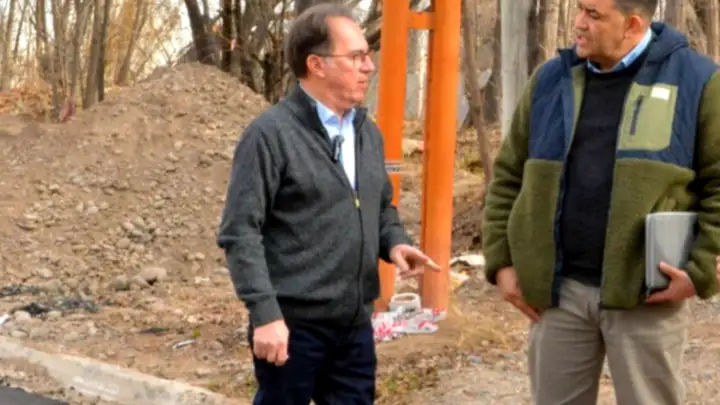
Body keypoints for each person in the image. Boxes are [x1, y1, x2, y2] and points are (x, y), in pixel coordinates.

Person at [482, 0, 720, 404]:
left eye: (593, 14)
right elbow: (508, 176)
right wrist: (501, 262)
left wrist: (699, 272)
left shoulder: (698, 82)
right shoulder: (550, 79)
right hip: (559, 293)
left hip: (646, 296)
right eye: (579, 9)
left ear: (632, 24)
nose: (578, 23)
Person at [216, 4, 439, 405]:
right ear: (316, 65)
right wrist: (265, 315)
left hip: (353, 326)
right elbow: (240, 231)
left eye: (367, 56)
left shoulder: (366, 134)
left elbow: (380, 208)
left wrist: (395, 243)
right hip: (292, 327)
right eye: (356, 57)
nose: (368, 66)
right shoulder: (270, 136)